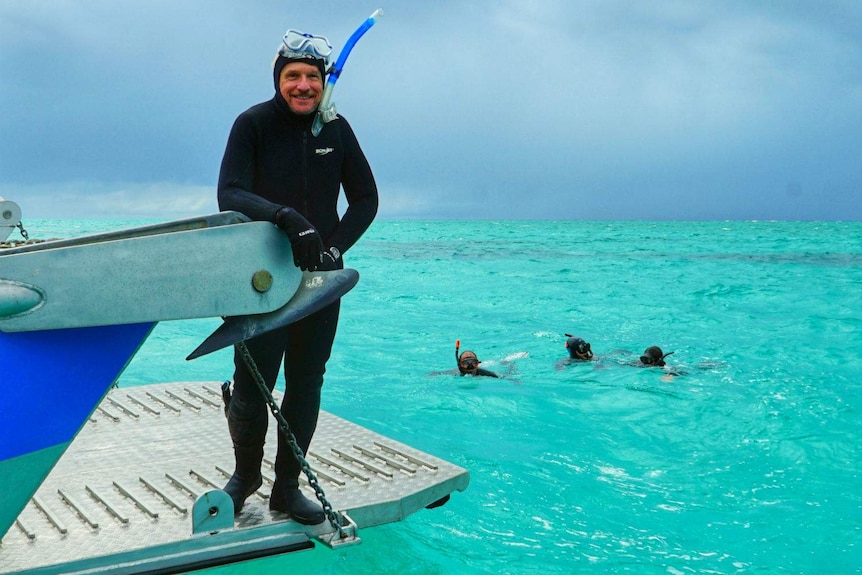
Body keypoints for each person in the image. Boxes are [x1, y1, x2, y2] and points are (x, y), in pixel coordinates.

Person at [216, 28, 378, 524]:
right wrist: (285, 216)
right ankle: (246, 478)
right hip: (259, 276)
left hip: (318, 283)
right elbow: (231, 193)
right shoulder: (253, 123)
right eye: (293, 76)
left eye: (312, 76)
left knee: (306, 382)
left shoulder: (336, 129)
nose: (303, 85)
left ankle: (287, 488)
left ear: (323, 80)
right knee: (253, 382)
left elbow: (366, 200)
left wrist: (334, 249)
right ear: (279, 80)